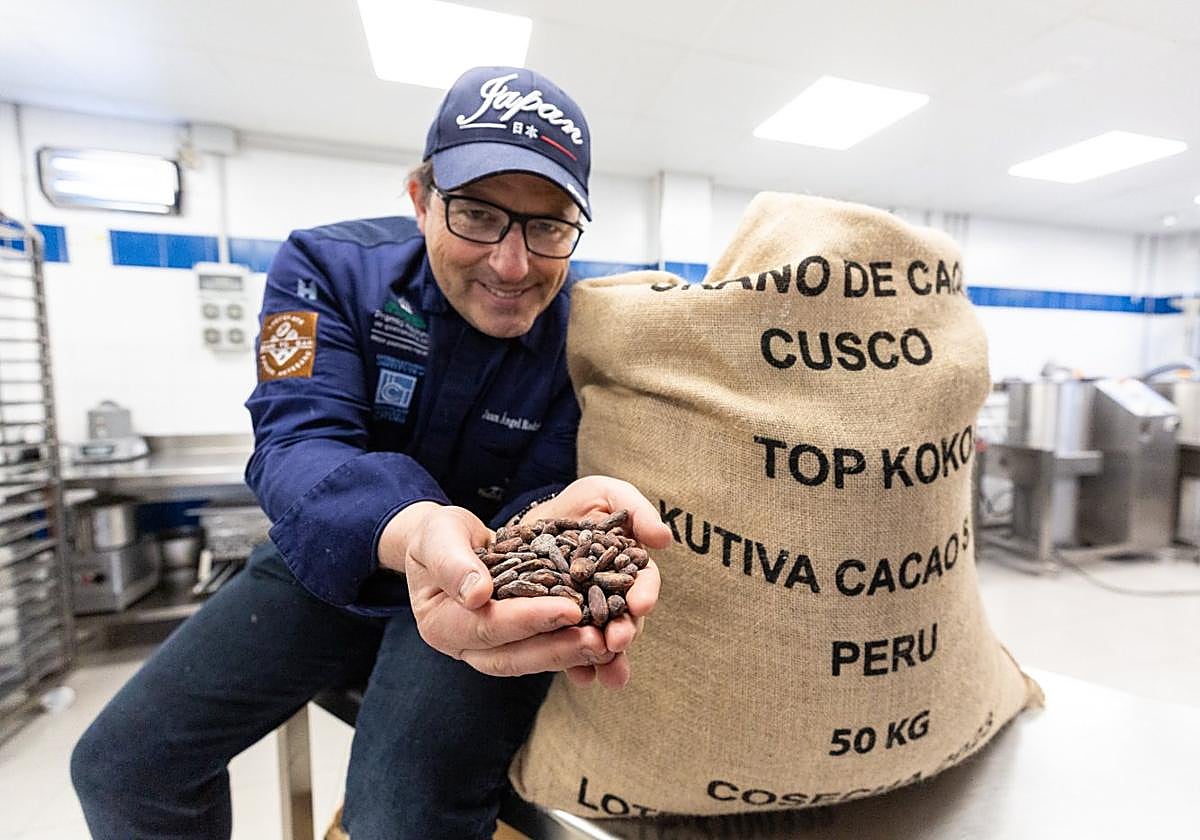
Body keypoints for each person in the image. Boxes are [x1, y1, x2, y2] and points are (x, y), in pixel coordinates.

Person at [70, 65, 671, 840]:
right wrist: (413, 527)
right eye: (477, 215)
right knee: (124, 767)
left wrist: (547, 538)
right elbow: (298, 438)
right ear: (421, 200)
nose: (512, 264)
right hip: (329, 554)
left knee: (400, 819)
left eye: (548, 227)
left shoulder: (583, 331)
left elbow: (550, 490)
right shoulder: (327, 269)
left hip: (485, 584)